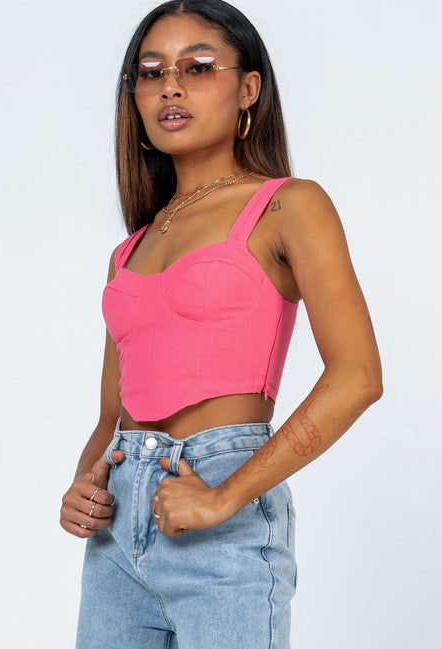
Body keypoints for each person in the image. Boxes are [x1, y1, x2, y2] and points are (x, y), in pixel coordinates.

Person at [60, 1, 383, 647]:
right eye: (151, 72)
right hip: (117, 530)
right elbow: (111, 414)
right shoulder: (129, 249)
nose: (170, 86)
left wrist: (224, 495)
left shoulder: (288, 205)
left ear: (249, 89)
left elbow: (357, 377)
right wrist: (82, 485)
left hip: (221, 510)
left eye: (198, 67)